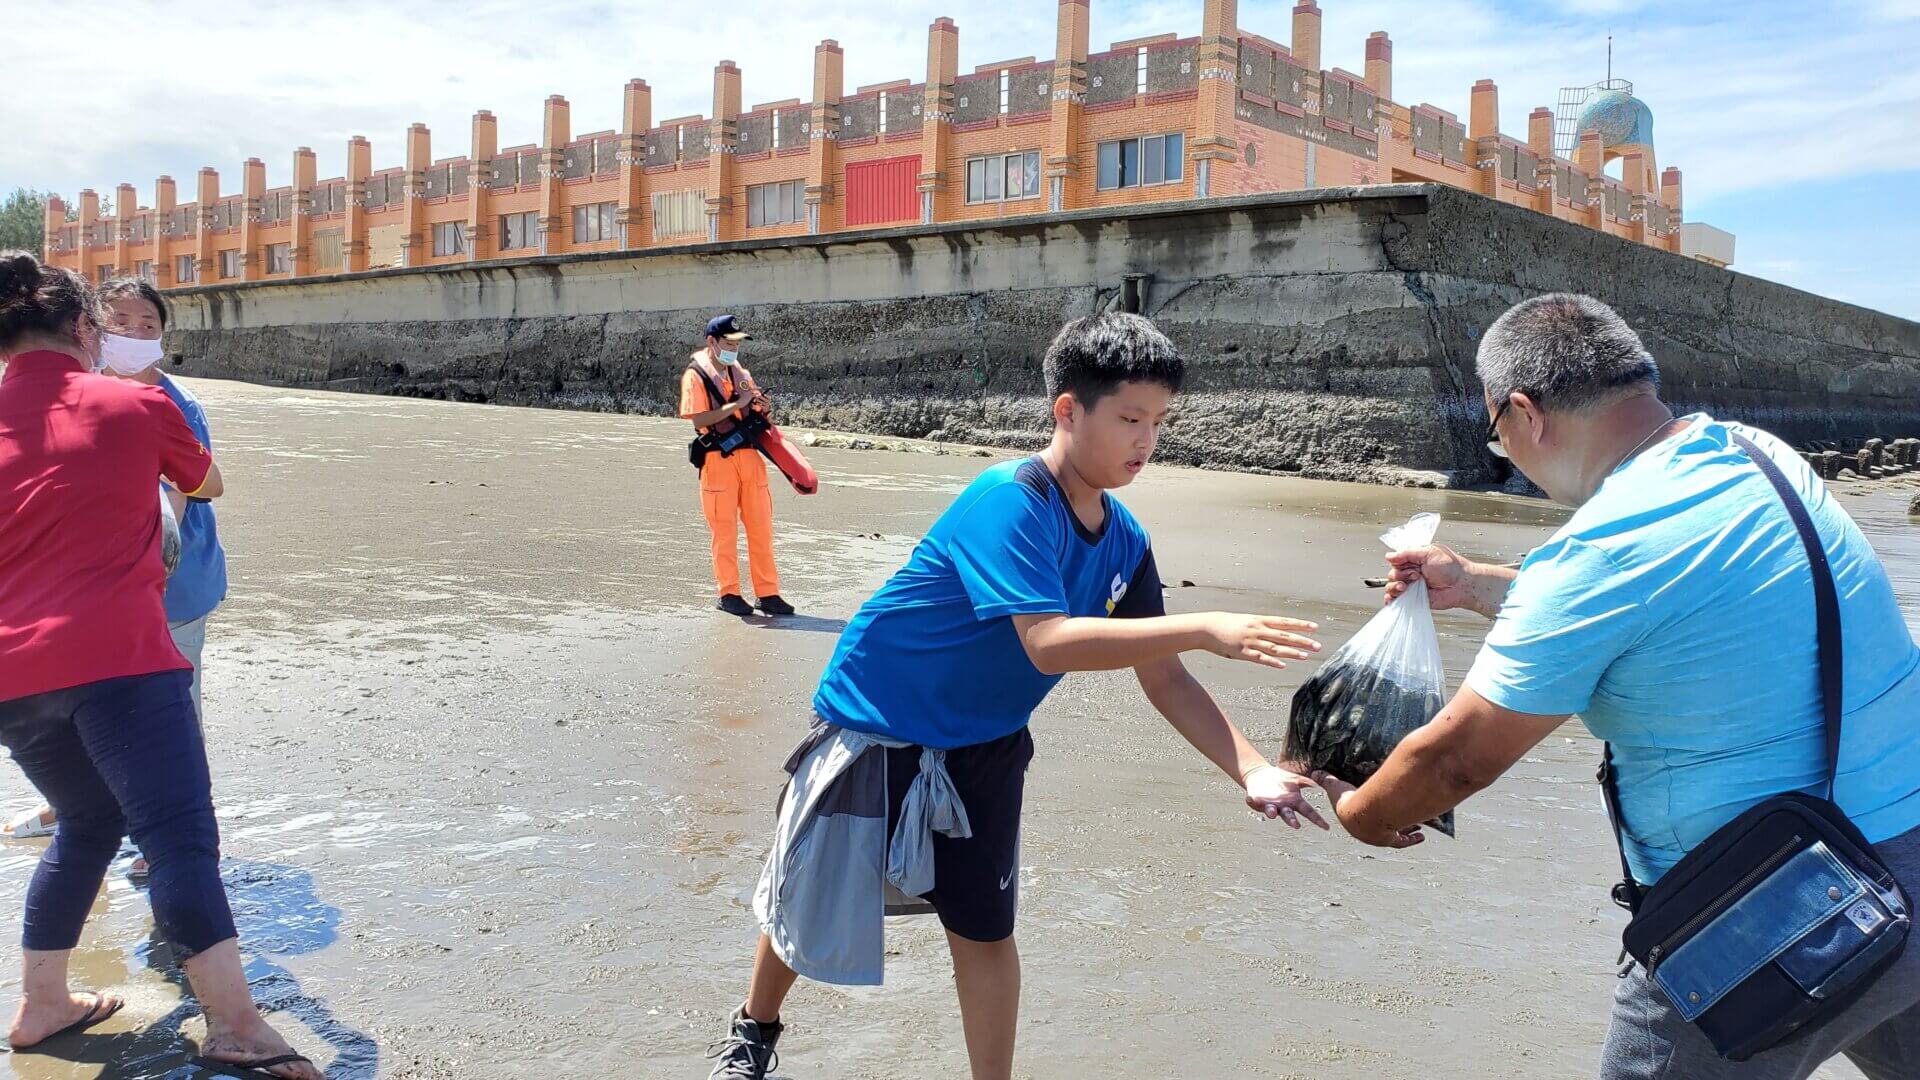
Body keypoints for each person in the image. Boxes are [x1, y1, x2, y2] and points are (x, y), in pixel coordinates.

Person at [706, 313, 1329, 1080]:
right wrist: (1203, 626)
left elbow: (1163, 675)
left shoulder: (1125, 539)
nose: (1146, 442)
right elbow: (1048, 641)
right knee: (814, 894)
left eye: (1159, 422)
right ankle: (755, 1030)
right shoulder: (1010, 498)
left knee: (985, 931)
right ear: (1068, 410)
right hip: (875, 721)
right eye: (1130, 419)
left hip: (987, 741)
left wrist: (1251, 768)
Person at [1317, 293, 1920, 1079]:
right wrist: (1472, 585)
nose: (1510, 458)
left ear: (1524, 414)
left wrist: (1361, 812)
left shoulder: (1599, 553)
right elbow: (1662, 597)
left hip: (1769, 909)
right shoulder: (1752, 453)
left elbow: (1454, 763)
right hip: (1905, 858)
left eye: (1498, 438)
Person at [0, 252, 323, 1079]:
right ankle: (238, 1025)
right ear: (85, 329)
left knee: (87, 822)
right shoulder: (137, 402)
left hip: (13, 676)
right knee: (179, 836)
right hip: (122, 659)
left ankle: (43, 1003)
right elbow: (207, 483)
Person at [680, 314, 794, 617]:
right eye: (728, 342)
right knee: (724, 530)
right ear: (712, 342)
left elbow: (752, 405)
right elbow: (698, 418)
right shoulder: (696, 375)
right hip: (718, 459)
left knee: (761, 528)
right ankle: (729, 593)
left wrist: (760, 407)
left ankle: (768, 593)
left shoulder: (739, 372)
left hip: (750, 457)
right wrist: (737, 405)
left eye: (736, 343)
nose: (733, 348)